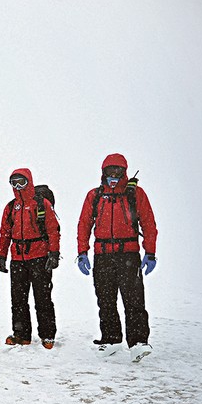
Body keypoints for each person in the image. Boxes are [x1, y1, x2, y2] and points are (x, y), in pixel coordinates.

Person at [76, 153, 158, 362]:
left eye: (117, 171)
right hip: (102, 255)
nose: (113, 175)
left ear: (124, 172)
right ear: (103, 173)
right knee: (105, 299)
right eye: (109, 171)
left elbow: (149, 224)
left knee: (133, 300)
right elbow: (84, 225)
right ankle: (111, 339)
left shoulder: (135, 194)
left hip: (128, 254)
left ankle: (138, 342)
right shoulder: (94, 196)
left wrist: (150, 252)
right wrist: (82, 252)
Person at [0, 168, 61, 349]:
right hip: (17, 259)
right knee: (18, 299)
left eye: (21, 182)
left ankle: (47, 335)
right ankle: (21, 334)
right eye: (13, 182)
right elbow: (5, 233)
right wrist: (1, 255)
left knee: (43, 298)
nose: (17, 186)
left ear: (29, 182)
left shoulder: (41, 204)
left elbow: (53, 230)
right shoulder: (10, 207)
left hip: (40, 258)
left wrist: (54, 254)